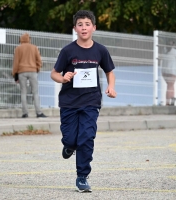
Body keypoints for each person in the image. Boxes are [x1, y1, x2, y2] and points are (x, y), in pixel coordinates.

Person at [50, 10, 116, 192]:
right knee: (71, 139)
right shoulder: (68, 51)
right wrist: (63, 78)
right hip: (69, 102)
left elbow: (109, 71)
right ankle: (69, 146)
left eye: (87, 24)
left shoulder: (101, 50)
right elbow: (54, 73)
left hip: (91, 101)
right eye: (80, 24)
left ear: (94, 27)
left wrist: (111, 87)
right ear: (75, 28)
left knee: (86, 137)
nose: (84, 27)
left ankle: (82, 176)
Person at [12, 33, 47, 118]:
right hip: (33, 71)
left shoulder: (18, 48)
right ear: (29, 39)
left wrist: (15, 74)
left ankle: (25, 113)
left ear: (21, 40)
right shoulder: (34, 47)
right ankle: (38, 113)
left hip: (21, 72)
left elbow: (16, 62)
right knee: (35, 92)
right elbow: (39, 60)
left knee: (23, 92)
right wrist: (37, 69)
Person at [161, 40, 176, 106]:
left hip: (164, 71)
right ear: (172, 45)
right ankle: (168, 102)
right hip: (172, 71)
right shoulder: (174, 51)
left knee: (170, 86)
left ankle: (171, 100)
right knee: (170, 86)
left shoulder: (164, 50)